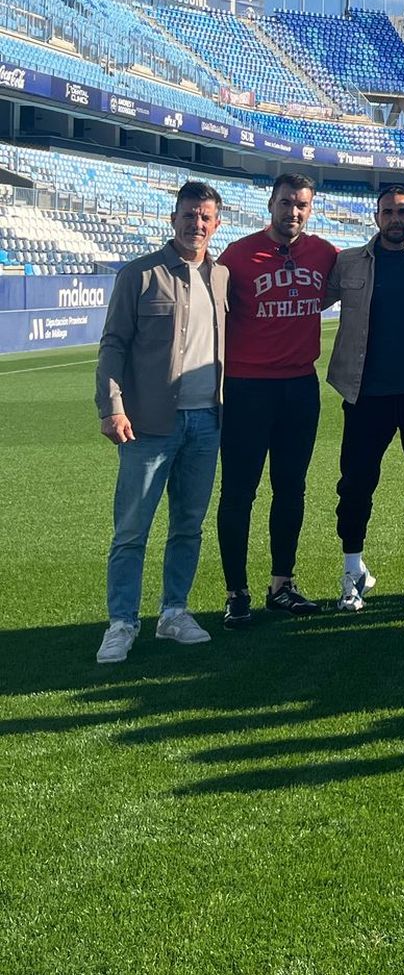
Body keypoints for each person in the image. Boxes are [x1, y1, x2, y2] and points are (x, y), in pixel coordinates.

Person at [93, 181, 229, 663]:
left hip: (206, 422)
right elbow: (113, 345)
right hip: (150, 423)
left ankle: (174, 612)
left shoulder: (222, 276)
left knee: (188, 527)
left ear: (216, 224)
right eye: (190, 215)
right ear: (174, 218)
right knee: (131, 529)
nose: (197, 224)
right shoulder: (139, 275)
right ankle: (122, 621)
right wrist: (112, 404)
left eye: (206, 217)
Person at [216, 173, 338, 627]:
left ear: (311, 209)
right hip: (248, 388)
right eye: (287, 202)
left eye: (302, 205)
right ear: (271, 204)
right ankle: (236, 592)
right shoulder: (238, 256)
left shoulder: (323, 253)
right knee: (238, 493)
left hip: (300, 387)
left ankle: (281, 584)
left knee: (291, 489)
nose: (294, 212)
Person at [325, 183, 404, 611]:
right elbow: (307, 298)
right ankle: (353, 571)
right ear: (376, 217)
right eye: (388, 212)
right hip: (366, 394)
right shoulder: (347, 263)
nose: (396, 219)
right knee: (356, 485)